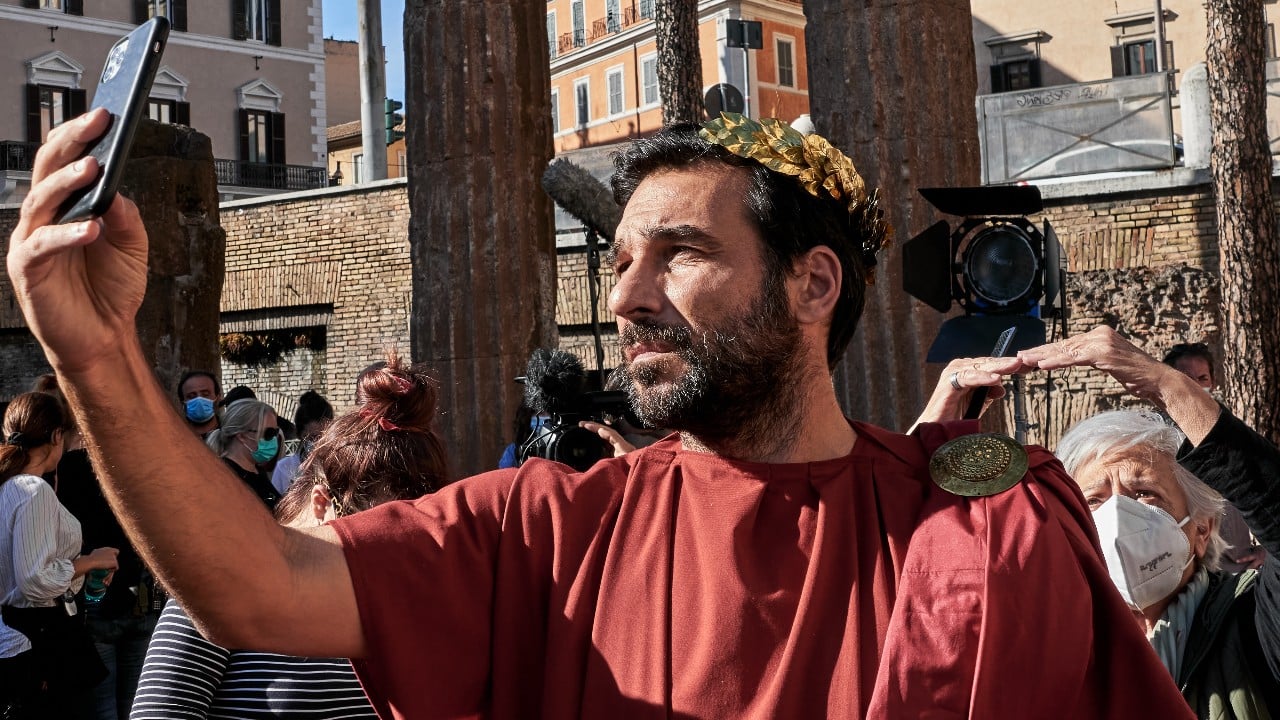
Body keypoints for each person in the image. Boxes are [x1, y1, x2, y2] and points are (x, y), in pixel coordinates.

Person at [8, 108, 1195, 718]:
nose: (622, 297)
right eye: (617, 260)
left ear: (810, 283)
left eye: (676, 253)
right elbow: (253, 586)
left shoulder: (990, 526)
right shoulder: (545, 528)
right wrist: (98, 358)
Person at [919, 325, 1280, 718]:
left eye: (1145, 493)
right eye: (1094, 499)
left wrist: (1166, 385)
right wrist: (923, 450)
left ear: (1201, 529)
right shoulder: (1042, 647)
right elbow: (909, 604)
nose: (1118, 515)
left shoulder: (1253, 627)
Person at [131, 358, 448, 720]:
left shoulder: (411, 593)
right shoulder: (224, 582)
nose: (396, 561)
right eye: (379, 537)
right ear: (322, 504)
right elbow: (163, 712)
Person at [35, 376, 162, 720]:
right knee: (139, 708)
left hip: (90, 601)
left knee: (102, 709)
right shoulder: (123, 462)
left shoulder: (52, 476)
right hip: (136, 597)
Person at [0, 391, 119, 719]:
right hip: (36, 639)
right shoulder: (32, 490)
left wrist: (80, 569)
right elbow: (34, 578)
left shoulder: (10, 486)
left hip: (23, 633)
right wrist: (92, 560)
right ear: (56, 436)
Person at [1162, 341, 1263, 572]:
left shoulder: (1232, 434)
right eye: (1185, 378)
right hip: (1180, 574)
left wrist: (1267, 549)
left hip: (1233, 570)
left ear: (1213, 383)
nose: (1195, 386)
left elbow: (1262, 491)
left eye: (1203, 378)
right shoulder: (1156, 440)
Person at [204, 399, 281, 509]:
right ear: (242, 436)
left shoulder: (256, 471)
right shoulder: (226, 476)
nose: (274, 439)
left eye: (276, 432)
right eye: (269, 433)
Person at [270, 390, 334, 495]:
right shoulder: (284, 468)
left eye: (324, 436)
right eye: (313, 437)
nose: (318, 443)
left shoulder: (338, 466)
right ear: (301, 435)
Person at [177, 371, 221, 438]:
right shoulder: (175, 434)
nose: (199, 399)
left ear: (218, 398)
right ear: (182, 402)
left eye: (205, 394)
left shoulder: (230, 434)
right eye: (191, 396)